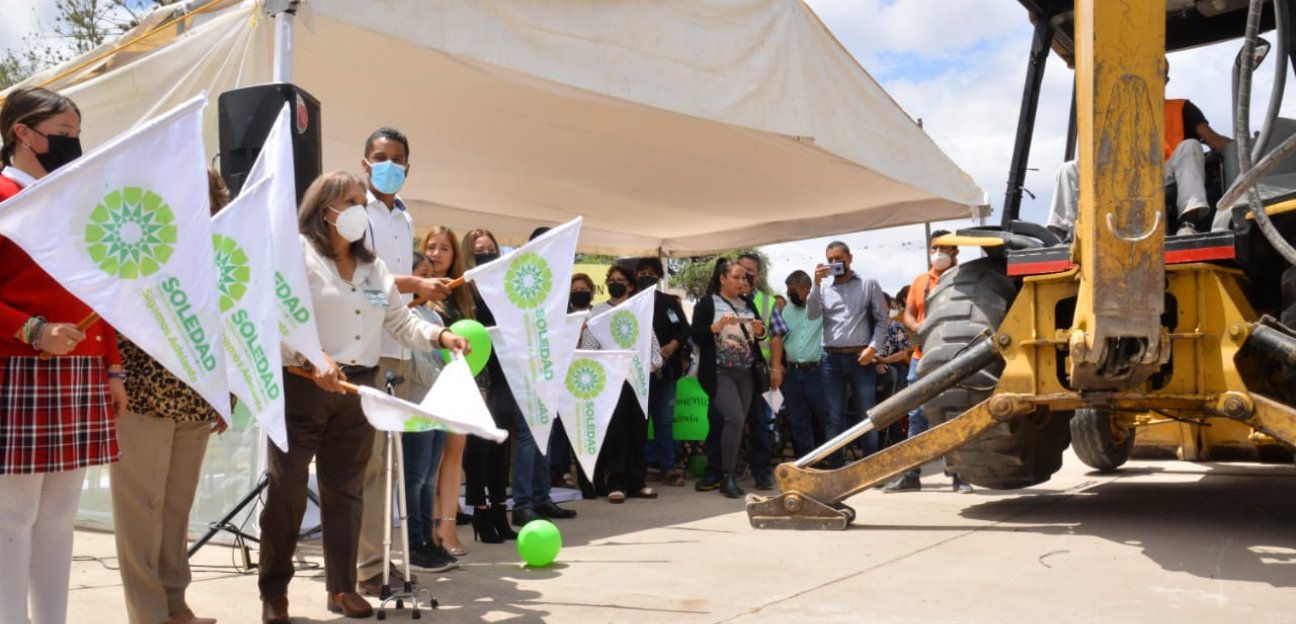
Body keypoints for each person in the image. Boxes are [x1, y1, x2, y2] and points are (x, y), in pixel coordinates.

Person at [258, 171, 468, 623]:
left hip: (358, 388)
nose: (360, 208)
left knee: (346, 493)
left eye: (361, 200)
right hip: (300, 385)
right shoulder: (293, 255)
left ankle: (342, 588)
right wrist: (315, 358)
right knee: (287, 491)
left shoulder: (374, 269)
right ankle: (274, 592)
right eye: (351, 200)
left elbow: (399, 322)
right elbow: (276, 318)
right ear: (325, 208)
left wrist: (440, 335)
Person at [0, 86, 127, 624]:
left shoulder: (75, 200)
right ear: (22, 133)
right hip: (17, 365)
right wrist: (31, 331)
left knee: (59, 515)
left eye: (77, 135)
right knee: (13, 515)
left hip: (79, 368)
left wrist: (112, 366)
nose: (74, 145)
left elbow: (101, 288)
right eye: (64, 135)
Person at [109, 167, 230, 624]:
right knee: (142, 509)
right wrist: (114, 374)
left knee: (176, 508)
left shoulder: (220, 251)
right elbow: (112, 314)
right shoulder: (136, 242)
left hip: (197, 398)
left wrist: (227, 392)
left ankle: (175, 605)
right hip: (140, 394)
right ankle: (148, 613)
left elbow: (231, 323)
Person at [355, 127, 455, 594]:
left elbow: (395, 301)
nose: (388, 165)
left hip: (400, 349)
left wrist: (431, 323)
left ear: (408, 169)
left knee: (391, 467)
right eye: (380, 157)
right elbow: (363, 278)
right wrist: (416, 285)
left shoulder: (404, 217)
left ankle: (381, 559)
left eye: (397, 159)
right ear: (364, 162)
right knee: (370, 466)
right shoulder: (356, 214)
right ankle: (366, 567)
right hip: (364, 351)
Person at [460, 229, 578, 527]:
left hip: (531, 364)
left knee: (540, 430)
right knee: (522, 435)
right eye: (479, 249)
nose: (487, 252)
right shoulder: (467, 287)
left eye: (491, 247)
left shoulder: (511, 280)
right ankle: (522, 502)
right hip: (495, 372)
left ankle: (541, 497)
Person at [1047, 61, 1232, 237]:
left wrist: (1247, 147)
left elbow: (1214, 141)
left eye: (1158, 75)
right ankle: (1065, 234)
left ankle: (1188, 223)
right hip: (1124, 177)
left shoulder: (1182, 108)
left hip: (1166, 175)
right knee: (1069, 169)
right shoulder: (1120, 115)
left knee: (1191, 145)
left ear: (1166, 80)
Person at [883, 231, 973, 493]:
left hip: (954, 358)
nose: (939, 253)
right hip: (921, 358)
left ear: (956, 251)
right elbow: (909, 314)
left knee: (952, 414)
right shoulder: (920, 281)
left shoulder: (965, 279)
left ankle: (959, 475)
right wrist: (920, 328)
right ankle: (911, 474)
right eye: (935, 247)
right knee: (916, 416)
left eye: (945, 248)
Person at [690, 258, 770, 498]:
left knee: (738, 423)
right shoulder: (707, 304)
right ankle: (726, 475)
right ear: (722, 279)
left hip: (745, 373)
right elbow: (695, 335)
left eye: (743, 277)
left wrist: (760, 330)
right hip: (719, 372)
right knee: (734, 419)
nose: (741, 281)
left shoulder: (747, 303)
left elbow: (762, 333)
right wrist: (715, 328)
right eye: (735, 277)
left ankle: (728, 475)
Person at [583, 265, 663, 503]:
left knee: (638, 431)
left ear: (630, 285)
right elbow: (588, 350)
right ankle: (616, 483)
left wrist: (649, 367)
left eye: (621, 280)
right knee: (615, 433)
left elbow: (655, 350)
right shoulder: (597, 313)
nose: (615, 283)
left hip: (638, 381)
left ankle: (637, 482)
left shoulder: (640, 311)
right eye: (612, 280)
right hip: (610, 383)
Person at [807, 241, 889, 467]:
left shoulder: (868, 284)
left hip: (861, 359)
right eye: (830, 259)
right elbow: (812, 315)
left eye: (838, 258)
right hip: (830, 359)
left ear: (850, 258)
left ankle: (870, 468)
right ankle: (836, 468)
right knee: (833, 416)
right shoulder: (823, 288)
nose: (834, 263)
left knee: (868, 415)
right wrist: (815, 283)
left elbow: (883, 322)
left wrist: (872, 348)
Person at [399, 252, 453, 574]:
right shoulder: (404, 315)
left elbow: (443, 358)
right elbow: (419, 367)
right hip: (418, 405)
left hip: (441, 406)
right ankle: (413, 543)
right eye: (422, 274)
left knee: (430, 477)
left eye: (431, 275)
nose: (430, 281)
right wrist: (446, 381)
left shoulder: (435, 318)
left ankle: (428, 539)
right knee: (414, 476)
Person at [634, 259, 691, 486]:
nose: (647, 276)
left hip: (666, 370)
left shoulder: (669, 303)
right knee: (638, 419)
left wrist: (672, 346)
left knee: (664, 419)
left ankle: (668, 466)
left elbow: (684, 329)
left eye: (651, 273)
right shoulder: (631, 303)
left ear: (658, 277)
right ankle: (640, 466)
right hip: (637, 372)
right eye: (642, 272)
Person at [734, 252, 786, 488]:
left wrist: (776, 367)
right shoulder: (722, 299)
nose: (745, 277)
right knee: (731, 422)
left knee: (759, 424)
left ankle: (761, 473)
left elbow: (776, 337)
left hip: (758, 372)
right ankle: (729, 470)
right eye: (741, 272)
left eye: (750, 272)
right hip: (730, 373)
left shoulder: (766, 302)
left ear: (758, 274)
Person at [549, 273, 596, 492]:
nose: (579, 293)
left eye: (583, 289)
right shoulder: (560, 315)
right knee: (559, 427)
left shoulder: (599, 314)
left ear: (591, 291)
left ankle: (588, 475)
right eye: (575, 290)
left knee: (583, 425)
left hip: (589, 378)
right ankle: (560, 470)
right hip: (562, 376)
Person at [780, 270, 829, 459]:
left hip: (816, 371)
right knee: (797, 420)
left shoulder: (821, 307)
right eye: (788, 291)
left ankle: (830, 460)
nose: (790, 295)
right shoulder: (787, 310)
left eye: (793, 291)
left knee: (824, 418)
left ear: (807, 289)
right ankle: (805, 462)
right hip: (792, 373)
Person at [873, 293, 913, 450]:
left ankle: (896, 446)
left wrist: (885, 361)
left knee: (893, 410)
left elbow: (905, 351)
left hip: (895, 368)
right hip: (873, 369)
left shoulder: (897, 326)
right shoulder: (868, 327)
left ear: (888, 306)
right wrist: (876, 361)